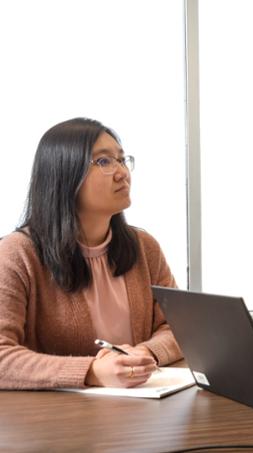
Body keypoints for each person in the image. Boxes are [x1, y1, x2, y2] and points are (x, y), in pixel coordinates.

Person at [0, 118, 182, 389]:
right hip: (56, 420)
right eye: (105, 162)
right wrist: (91, 372)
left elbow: (179, 327)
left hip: (141, 409)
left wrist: (145, 353)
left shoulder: (144, 247)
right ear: (64, 174)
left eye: (122, 159)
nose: (122, 172)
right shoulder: (17, 253)